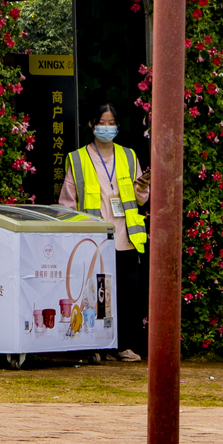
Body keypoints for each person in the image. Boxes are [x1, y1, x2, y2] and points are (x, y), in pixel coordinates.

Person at [59, 103, 148, 362]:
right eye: (102, 123)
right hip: (94, 240)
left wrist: (142, 187)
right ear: (91, 125)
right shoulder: (78, 158)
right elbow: (67, 203)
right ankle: (96, 346)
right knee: (95, 294)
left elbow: (141, 198)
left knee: (126, 295)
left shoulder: (129, 156)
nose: (106, 128)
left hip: (126, 238)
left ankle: (123, 347)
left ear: (118, 127)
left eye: (111, 123)